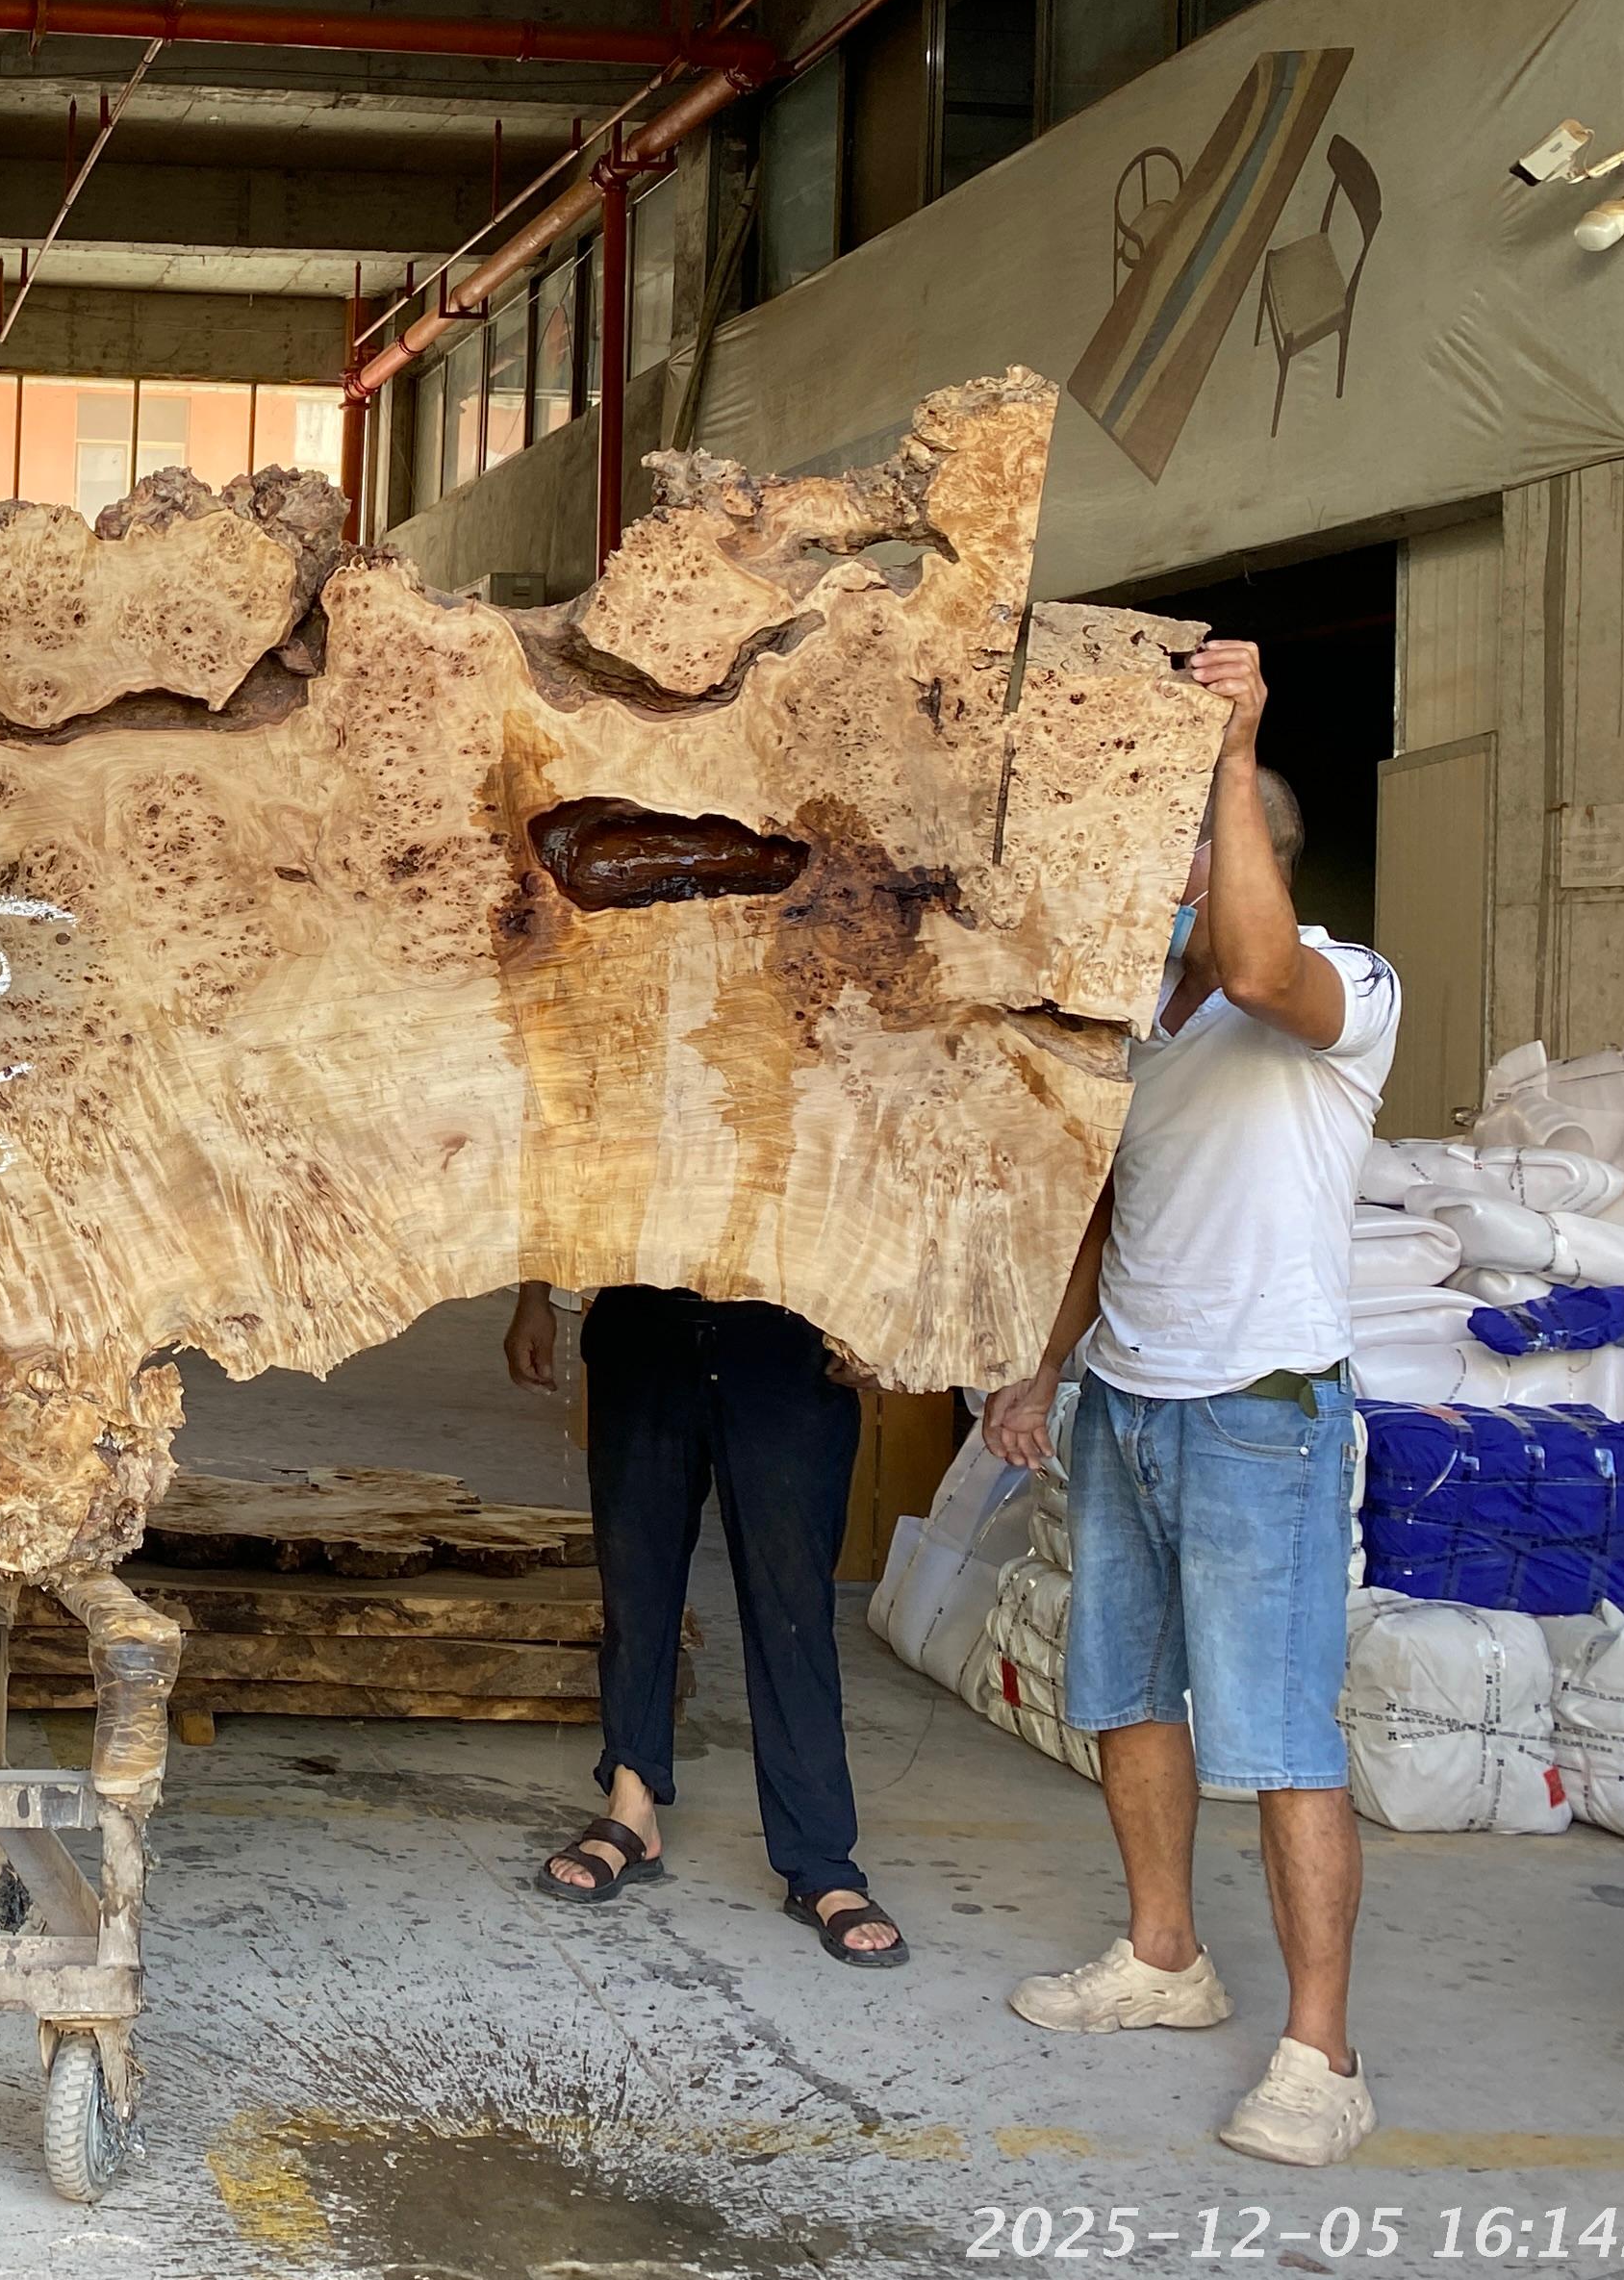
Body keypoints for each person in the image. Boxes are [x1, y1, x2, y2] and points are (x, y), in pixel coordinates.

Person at [987, 638, 1396, 2168]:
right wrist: (1044, 1366)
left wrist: (1228, 752)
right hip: (1132, 1404)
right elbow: (1112, 1215)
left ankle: (1321, 2053)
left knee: (1281, 1738)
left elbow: (1259, 968)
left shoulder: (1344, 988)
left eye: (1190, 852)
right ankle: (1165, 1955)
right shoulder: (1146, 1025)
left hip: (1261, 1413)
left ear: (1255, 857)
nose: (1163, 881)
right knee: (1124, 1695)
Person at [508, 1279, 903, 1967]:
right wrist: (533, 1295)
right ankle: (630, 1806)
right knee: (636, 1587)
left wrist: (889, 1318)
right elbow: (559, 1200)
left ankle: (821, 1862)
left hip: (789, 1335)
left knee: (792, 1615)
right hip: (643, 1326)